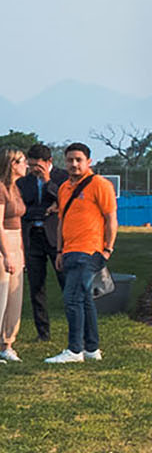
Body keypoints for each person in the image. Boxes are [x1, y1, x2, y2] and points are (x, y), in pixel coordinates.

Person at [46, 142, 116, 364]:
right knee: (84, 299)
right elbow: (61, 222)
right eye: (70, 160)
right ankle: (92, 349)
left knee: (72, 298)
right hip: (69, 250)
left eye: (78, 160)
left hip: (89, 250)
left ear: (89, 162)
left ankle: (75, 350)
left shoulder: (100, 185)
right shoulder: (64, 187)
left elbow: (111, 219)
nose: (74, 164)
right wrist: (59, 250)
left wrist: (107, 249)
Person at [18, 144, 67, 342]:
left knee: (66, 283)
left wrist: (47, 182)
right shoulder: (24, 181)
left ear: (48, 162)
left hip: (55, 237)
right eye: (30, 166)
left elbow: (64, 202)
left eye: (37, 166)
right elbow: (23, 208)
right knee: (36, 286)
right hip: (33, 236)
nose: (33, 170)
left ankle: (76, 329)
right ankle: (43, 332)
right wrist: (43, 210)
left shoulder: (62, 178)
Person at [1, 148, 26, 361]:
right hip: (4, 245)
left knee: (14, 297)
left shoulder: (16, 188)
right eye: (22, 161)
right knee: (1, 296)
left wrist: (19, 253)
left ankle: (7, 343)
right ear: (12, 164)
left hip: (17, 244)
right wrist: (7, 254)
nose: (26, 165)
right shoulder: (1, 189)